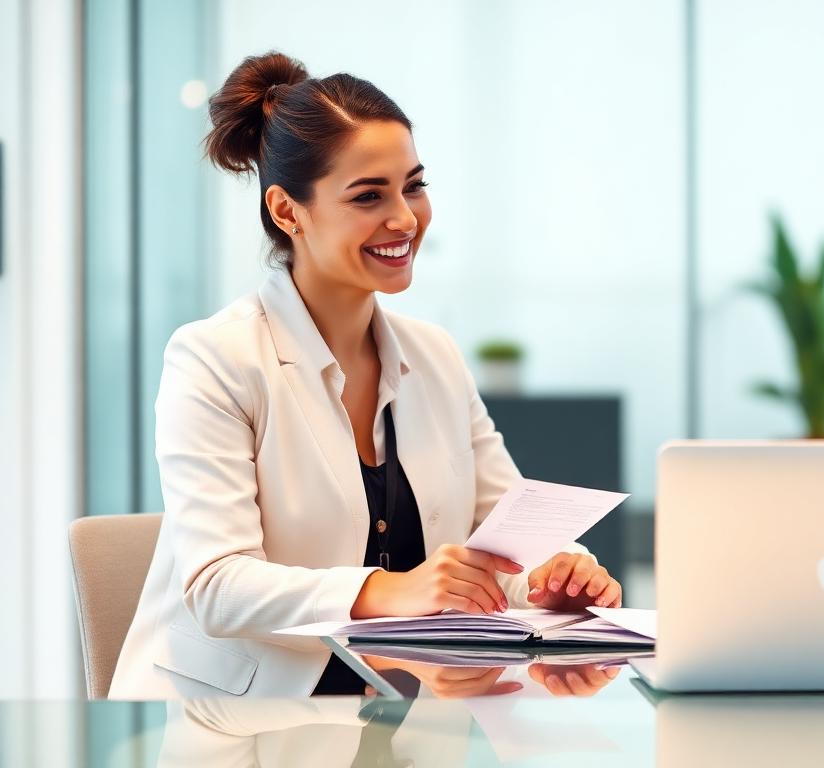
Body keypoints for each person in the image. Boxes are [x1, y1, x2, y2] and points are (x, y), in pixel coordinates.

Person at [110, 51, 621, 699]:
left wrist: (555, 574)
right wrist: (392, 590)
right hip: (240, 723)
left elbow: (502, 545)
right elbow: (216, 586)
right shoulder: (215, 357)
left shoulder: (433, 355)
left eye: (412, 185)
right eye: (368, 195)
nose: (405, 218)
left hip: (402, 719)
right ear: (288, 210)